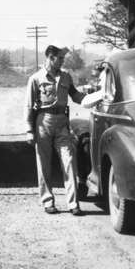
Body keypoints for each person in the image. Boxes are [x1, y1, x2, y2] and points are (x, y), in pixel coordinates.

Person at [25, 45, 85, 216]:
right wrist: (29, 130)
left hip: (62, 122)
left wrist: (93, 98)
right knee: (44, 162)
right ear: (50, 57)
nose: (62, 61)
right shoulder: (36, 78)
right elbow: (28, 106)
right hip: (43, 121)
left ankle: (73, 203)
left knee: (69, 161)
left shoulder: (66, 76)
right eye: (60, 58)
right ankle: (48, 202)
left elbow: (75, 95)